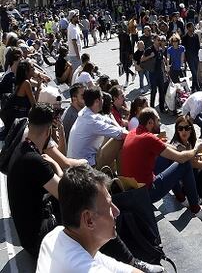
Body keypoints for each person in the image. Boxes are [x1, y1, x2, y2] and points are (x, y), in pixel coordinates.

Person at [35, 166, 142, 273]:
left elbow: (121, 269)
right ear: (89, 220)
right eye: (109, 206)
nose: (117, 212)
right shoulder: (83, 268)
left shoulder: (54, 236)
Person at [120, 107, 202, 221]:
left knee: (166, 158)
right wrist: (196, 148)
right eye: (158, 120)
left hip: (133, 190)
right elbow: (181, 159)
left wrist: (180, 148)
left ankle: (181, 198)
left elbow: (164, 146)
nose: (160, 123)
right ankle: (197, 209)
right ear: (150, 122)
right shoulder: (148, 138)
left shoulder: (133, 133)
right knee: (184, 163)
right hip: (147, 193)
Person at [7, 103, 61, 257]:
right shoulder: (35, 161)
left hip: (27, 235)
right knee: (78, 209)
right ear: (48, 130)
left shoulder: (21, 149)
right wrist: (57, 166)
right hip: (37, 242)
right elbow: (66, 194)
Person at [67, 87, 127, 169]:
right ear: (97, 101)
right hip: (86, 168)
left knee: (112, 135)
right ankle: (123, 175)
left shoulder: (85, 112)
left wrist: (119, 128)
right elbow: (122, 134)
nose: (103, 100)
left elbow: (107, 119)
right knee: (118, 139)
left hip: (78, 163)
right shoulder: (92, 122)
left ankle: (114, 173)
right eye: (102, 98)